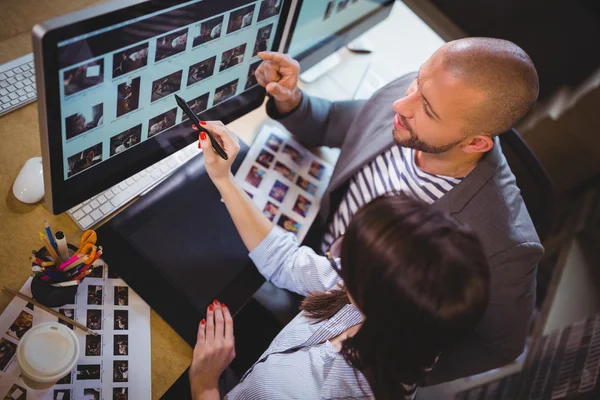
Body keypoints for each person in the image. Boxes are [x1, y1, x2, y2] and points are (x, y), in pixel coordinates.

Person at [252, 37, 544, 383]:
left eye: (428, 110)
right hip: (308, 254)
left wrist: (382, 364)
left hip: (344, 337)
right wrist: (292, 102)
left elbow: (498, 346)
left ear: (475, 142)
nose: (401, 105)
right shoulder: (418, 97)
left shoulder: (506, 246)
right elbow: (331, 121)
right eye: (418, 81)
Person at [189, 124, 490, 399]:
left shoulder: (303, 391)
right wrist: (223, 179)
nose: (335, 253)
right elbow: (285, 260)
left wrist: (204, 384)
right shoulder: (406, 318)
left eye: (349, 255)